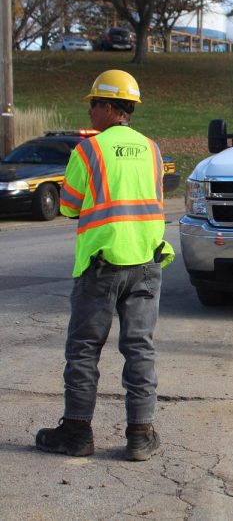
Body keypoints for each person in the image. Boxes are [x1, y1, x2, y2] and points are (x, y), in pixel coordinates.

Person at [35, 70, 174, 461]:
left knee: (83, 349)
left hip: (101, 265)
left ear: (109, 107)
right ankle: (140, 435)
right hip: (146, 262)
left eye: (93, 103)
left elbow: (68, 206)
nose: (90, 111)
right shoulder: (152, 149)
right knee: (140, 348)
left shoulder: (88, 151)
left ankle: (77, 433)